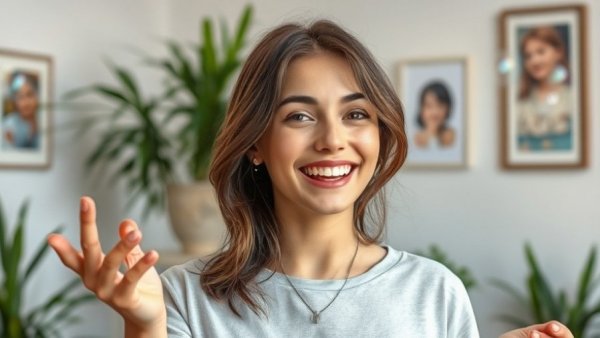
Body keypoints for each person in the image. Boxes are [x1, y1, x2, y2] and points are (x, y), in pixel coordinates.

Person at [48, 20, 574, 338]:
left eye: (356, 114)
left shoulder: (433, 293)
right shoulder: (184, 297)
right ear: (255, 141)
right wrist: (143, 325)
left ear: (380, 134)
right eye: (299, 116)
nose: (332, 140)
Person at [516, 26, 572, 152]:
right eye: (528, 56)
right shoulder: (519, 101)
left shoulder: (573, 97)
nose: (534, 61)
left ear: (558, 52)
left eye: (541, 52)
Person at [1, 71, 40, 150]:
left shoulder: (44, 120)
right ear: (15, 101)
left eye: (29, 95)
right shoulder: (8, 124)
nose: (25, 103)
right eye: (20, 97)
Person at [413, 81, 455, 149]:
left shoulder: (453, 137)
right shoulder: (414, 139)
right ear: (421, 109)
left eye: (440, 106)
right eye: (429, 106)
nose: (434, 112)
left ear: (448, 108)